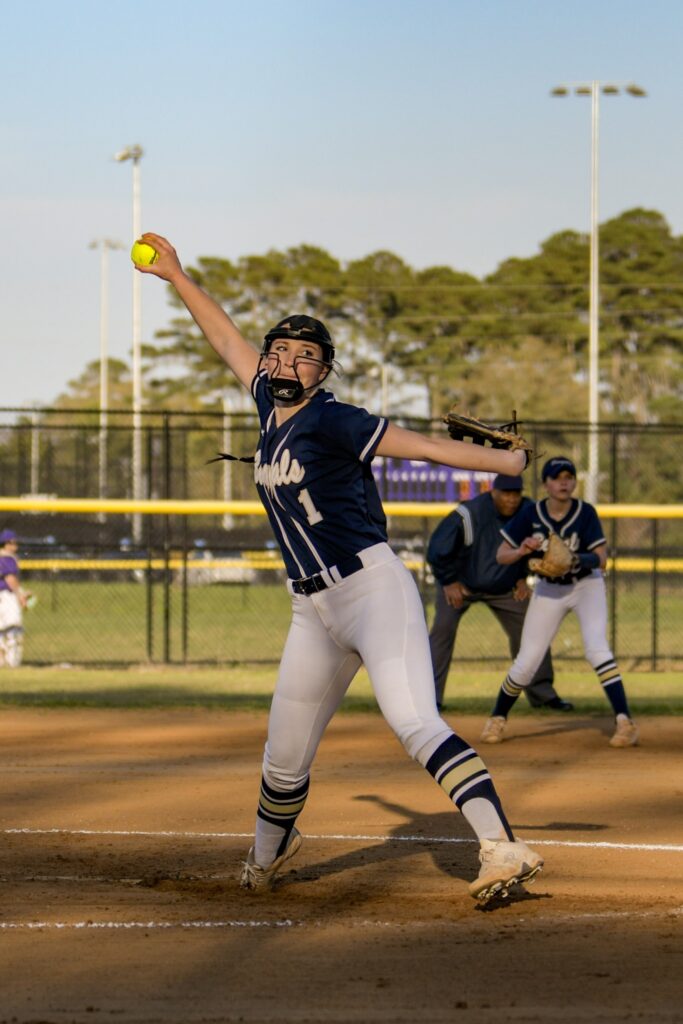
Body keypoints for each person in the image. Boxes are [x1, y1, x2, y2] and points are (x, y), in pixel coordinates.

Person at [136, 232, 544, 905]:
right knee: (283, 755)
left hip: (371, 589)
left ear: (323, 373)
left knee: (415, 722)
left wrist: (508, 462)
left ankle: (502, 846)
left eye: (306, 356)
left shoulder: (333, 420)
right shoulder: (269, 407)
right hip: (311, 609)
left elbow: (420, 447)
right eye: (279, 350)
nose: (287, 361)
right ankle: (267, 856)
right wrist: (178, 276)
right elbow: (225, 338)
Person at [480, 456, 639, 748]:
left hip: (585, 585)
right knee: (527, 661)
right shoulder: (531, 513)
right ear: (546, 484)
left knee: (596, 649)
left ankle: (624, 722)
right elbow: (502, 555)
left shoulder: (585, 512)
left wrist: (575, 559)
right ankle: (497, 718)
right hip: (548, 589)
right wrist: (521, 551)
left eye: (569, 477)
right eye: (557, 478)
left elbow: (602, 559)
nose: (563, 483)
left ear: (575, 482)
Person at [428, 473, 573, 712]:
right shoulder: (470, 512)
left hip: (505, 588)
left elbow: (536, 549)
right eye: (506, 493)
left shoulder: (528, 511)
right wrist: (449, 580)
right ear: (493, 492)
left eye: (516, 493)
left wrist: (523, 576)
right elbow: (437, 547)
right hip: (461, 585)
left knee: (532, 628)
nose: (511, 499)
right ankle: (430, 699)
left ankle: (544, 695)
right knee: (442, 630)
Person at [0, 529, 31, 667]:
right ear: (6, 543)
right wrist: (21, 595)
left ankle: (2, 662)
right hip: (6, 597)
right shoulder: (7, 558)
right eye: (13, 543)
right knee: (13, 628)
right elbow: (10, 579)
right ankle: (12, 662)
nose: (15, 546)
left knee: (2, 630)